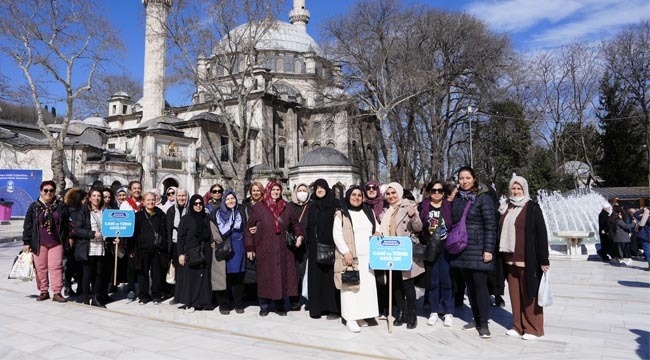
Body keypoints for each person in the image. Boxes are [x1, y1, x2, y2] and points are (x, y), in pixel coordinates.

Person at [498, 175, 549, 340]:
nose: (516, 191)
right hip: (509, 259)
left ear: (524, 190)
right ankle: (518, 325)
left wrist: (544, 259)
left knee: (529, 294)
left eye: (519, 188)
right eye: (513, 188)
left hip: (528, 259)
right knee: (514, 294)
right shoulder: (506, 207)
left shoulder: (532, 207)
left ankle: (533, 328)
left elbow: (541, 234)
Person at [450, 166, 497, 339]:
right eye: (461, 178)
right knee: (469, 288)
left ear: (474, 179)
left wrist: (488, 249)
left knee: (480, 287)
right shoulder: (457, 199)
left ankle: (484, 324)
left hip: (478, 249)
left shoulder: (483, 198)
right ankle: (476, 319)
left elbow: (491, 226)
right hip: (462, 250)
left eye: (467, 178)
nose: (464, 181)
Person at [245, 181, 304, 316]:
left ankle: (279, 305)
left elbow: (295, 224)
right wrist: (250, 247)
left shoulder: (287, 207)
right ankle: (264, 306)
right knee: (265, 277)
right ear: (268, 190)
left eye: (278, 190)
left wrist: (299, 235)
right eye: (273, 190)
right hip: (264, 248)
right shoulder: (259, 207)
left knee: (281, 277)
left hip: (283, 249)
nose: (276, 192)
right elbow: (249, 229)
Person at [333, 186, 380, 333]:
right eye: (353, 194)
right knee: (350, 288)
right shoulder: (341, 213)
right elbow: (337, 234)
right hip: (351, 256)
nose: (357, 197)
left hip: (368, 257)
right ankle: (350, 318)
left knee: (365, 288)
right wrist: (346, 251)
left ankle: (361, 315)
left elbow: (376, 227)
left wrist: (378, 232)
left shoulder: (368, 211)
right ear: (348, 196)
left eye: (359, 195)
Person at [379, 182, 423, 329]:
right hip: (389, 252)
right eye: (388, 193)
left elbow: (418, 228)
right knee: (395, 284)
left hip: (404, 251)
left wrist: (413, 217)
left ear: (399, 193)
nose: (391, 196)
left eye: (393, 193)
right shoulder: (387, 211)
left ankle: (412, 315)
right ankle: (401, 312)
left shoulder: (409, 206)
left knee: (407, 285)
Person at [22, 180, 70, 303]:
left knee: (56, 267)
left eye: (51, 190)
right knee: (40, 268)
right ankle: (44, 291)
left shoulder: (60, 206)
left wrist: (68, 238)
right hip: (39, 242)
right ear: (41, 192)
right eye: (46, 190)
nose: (48, 193)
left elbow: (66, 224)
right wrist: (26, 242)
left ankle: (57, 292)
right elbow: (28, 225)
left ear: (54, 192)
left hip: (56, 242)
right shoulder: (34, 206)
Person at [419, 181, 454, 328]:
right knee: (433, 281)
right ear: (429, 191)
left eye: (440, 190)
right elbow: (419, 226)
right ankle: (433, 311)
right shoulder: (423, 206)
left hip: (446, 247)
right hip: (431, 248)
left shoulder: (449, 206)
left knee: (446, 281)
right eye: (434, 190)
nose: (437, 193)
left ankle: (448, 312)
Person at [306, 179, 341, 319]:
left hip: (331, 246)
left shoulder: (335, 203)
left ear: (327, 188)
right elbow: (309, 225)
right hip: (315, 247)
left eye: (322, 187)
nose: (319, 190)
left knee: (330, 277)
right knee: (316, 278)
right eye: (317, 188)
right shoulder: (312, 205)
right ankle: (317, 308)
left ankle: (333, 308)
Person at [71, 188, 108, 308]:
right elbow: (77, 230)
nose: (97, 198)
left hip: (101, 246)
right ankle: (86, 297)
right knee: (87, 274)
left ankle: (96, 298)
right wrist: (92, 234)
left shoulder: (105, 211)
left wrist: (114, 237)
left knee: (99, 273)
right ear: (90, 198)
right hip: (88, 246)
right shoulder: (84, 211)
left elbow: (111, 227)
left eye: (99, 196)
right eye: (94, 195)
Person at [176, 194, 213, 312]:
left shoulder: (207, 218)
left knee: (204, 278)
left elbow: (212, 234)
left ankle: (204, 302)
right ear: (191, 205)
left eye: (200, 203)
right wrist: (180, 254)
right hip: (191, 252)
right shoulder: (186, 219)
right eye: (195, 204)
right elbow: (180, 237)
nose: (198, 206)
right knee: (192, 279)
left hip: (205, 252)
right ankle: (190, 302)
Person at [212, 190, 247, 314]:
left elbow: (246, 226)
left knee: (238, 276)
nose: (231, 201)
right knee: (225, 276)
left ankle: (239, 303)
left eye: (233, 198)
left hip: (239, 246)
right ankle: (224, 304)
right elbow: (212, 228)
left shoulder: (241, 211)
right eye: (228, 199)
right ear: (223, 201)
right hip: (225, 246)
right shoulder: (217, 213)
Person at [131, 192, 169, 304]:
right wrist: (132, 249)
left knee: (157, 274)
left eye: (152, 199)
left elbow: (165, 231)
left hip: (157, 250)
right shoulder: (138, 216)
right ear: (143, 201)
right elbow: (133, 233)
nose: (150, 202)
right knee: (142, 274)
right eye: (148, 200)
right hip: (142, 249)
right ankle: (143, 295)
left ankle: (156, 295)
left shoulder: (161, 214)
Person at [364, 180, 388, 319]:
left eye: (374, 188)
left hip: (381, 245)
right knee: (368, 277)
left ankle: (383, 307)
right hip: (365, 246)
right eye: (368, 188)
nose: (371, 190)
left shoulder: (384, 203)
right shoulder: (362, 204)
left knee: (381, 278)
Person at [288, 183, 311, 310]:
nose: (302, 193)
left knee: (306, 273)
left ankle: (308, 298)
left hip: (307, 244)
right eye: (300, 190)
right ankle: (294, 300)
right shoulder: (289, 206)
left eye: (304, 190)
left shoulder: (311, 205)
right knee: (294, 273)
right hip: (292, 244)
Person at [120, 180, 143, 301]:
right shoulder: (125, 204)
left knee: (142, 264)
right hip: (130, 238)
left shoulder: (144, 203)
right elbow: (120, 221)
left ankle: (142, 288)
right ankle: (131, 288)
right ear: (130, 190)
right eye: (134, 188)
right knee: (131, 264)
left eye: (139, 188)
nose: (137, 190)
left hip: (142, 237)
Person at [165, 188, 188, 305]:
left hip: (187, 244)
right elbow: (167, 228)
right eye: (179, 195)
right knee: (177, 270)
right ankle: (177, 295)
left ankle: (186, 295)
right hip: (174, 243)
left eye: (183, 195)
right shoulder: (171, 211)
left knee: (187, 270)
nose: (181, 198)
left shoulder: (189, 209)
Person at [62, 188, 85, 298]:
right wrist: (70, 236)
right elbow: (70, 225)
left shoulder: (72, 209)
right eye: (84, 198)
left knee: (74, 265)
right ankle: (71, 286)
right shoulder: (74, 210)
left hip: (76, 241)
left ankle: (74, 286)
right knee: (75, 265)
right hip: (75, 241)